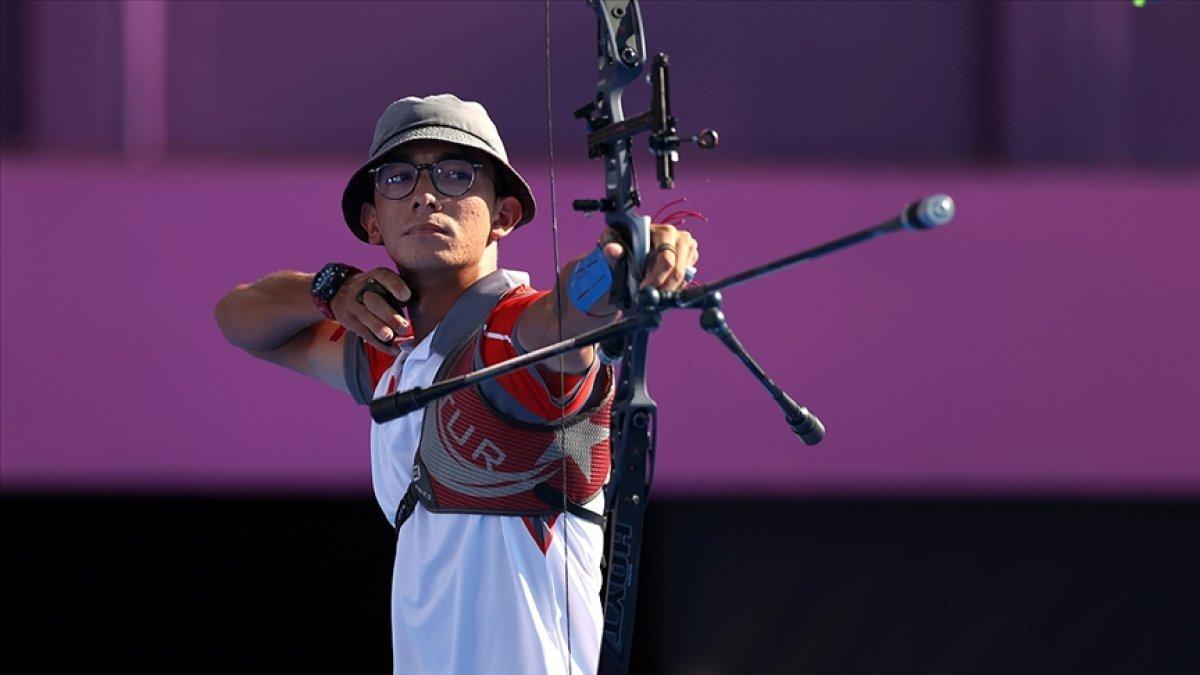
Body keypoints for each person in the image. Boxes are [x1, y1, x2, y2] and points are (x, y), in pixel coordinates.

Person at [214, 94, 698, 674]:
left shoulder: (520, 337)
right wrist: (332, 290)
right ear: (373, 221)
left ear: (505, 215)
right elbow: (240, 319)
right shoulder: (386, 352)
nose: (425, 193)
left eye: (455, 174)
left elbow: (574, 309)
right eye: (398, 177)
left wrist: (631, 260)